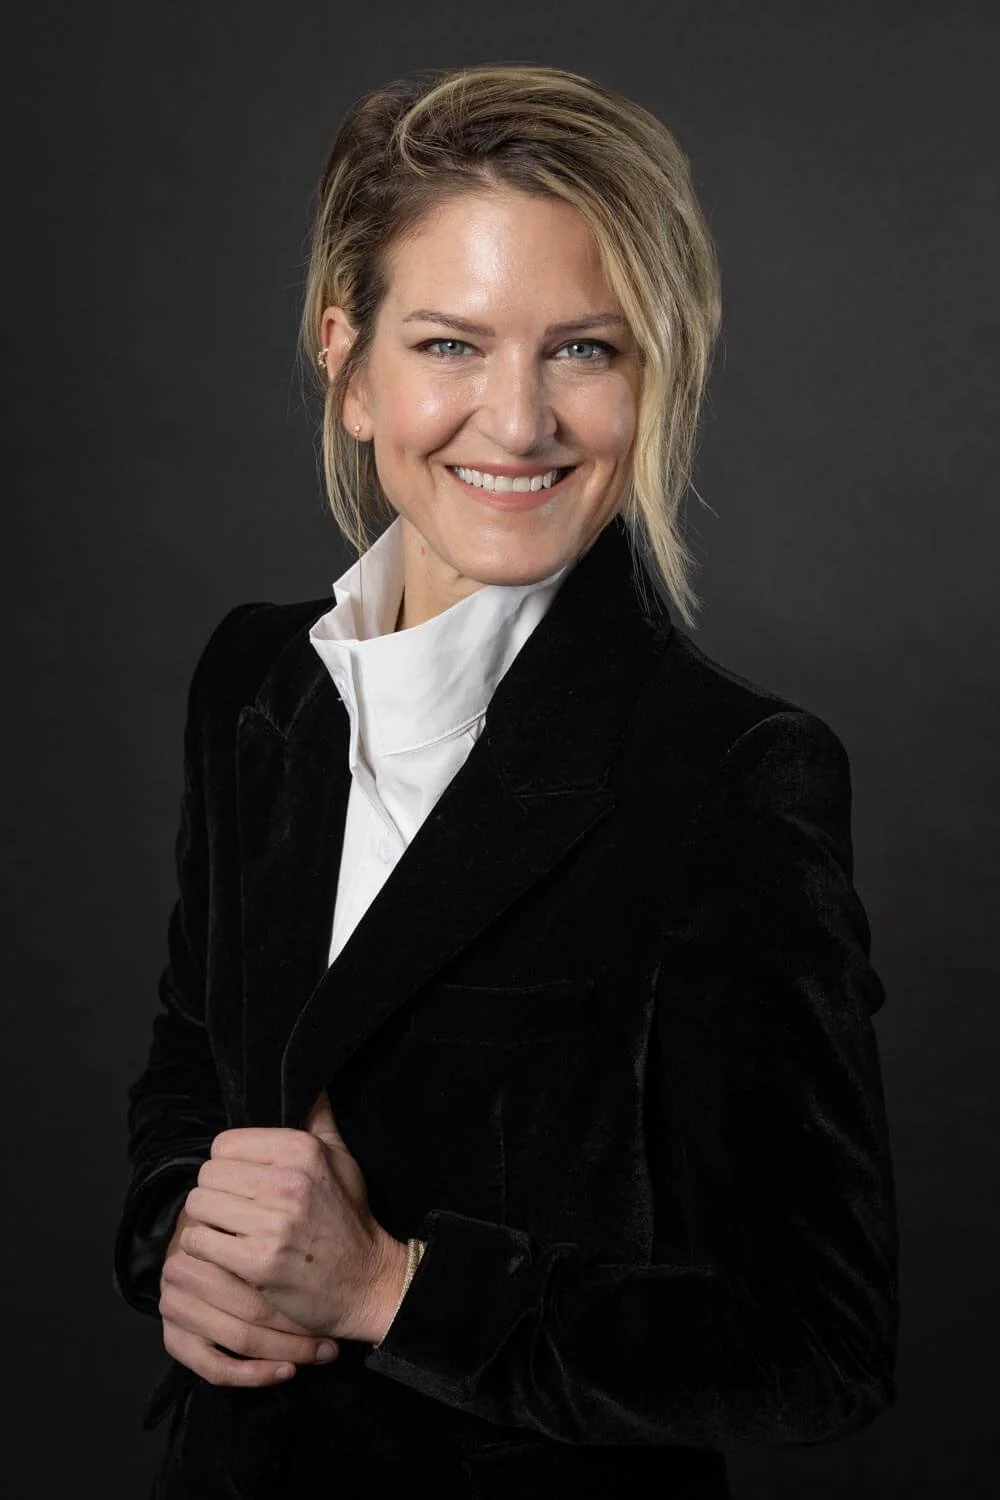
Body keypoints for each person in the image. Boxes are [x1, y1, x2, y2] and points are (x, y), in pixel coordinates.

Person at [113, 62, 899, 1500]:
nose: (519, 422)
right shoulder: (254, 685)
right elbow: (193, 1065)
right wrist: (182, 1238)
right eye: (452, 345)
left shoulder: (730, 778)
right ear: (350, 366)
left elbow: (817, 1341)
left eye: (584, 351)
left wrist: (393, 1291)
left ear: (652, 373)